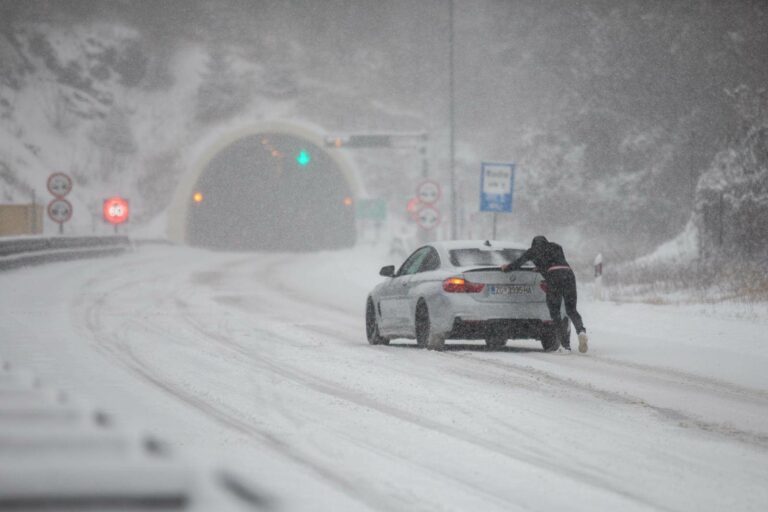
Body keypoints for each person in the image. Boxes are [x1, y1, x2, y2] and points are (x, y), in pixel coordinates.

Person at [501, 236, 588, 353]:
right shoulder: (557, 247)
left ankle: (565, 345)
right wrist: (541, 268)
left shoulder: (532, 251)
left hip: (554, 277)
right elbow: (553, 261)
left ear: (533, 244)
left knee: (555, 311)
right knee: (571, 309)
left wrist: (506, 268)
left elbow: (518, 263)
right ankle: (581, 331)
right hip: (568, 275)